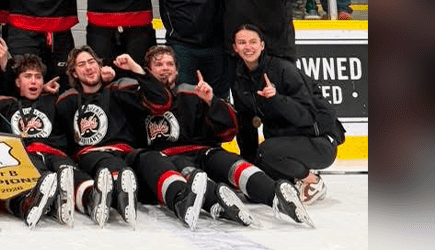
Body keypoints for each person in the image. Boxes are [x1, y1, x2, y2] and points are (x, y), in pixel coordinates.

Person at [127, 45, 312, 227]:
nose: (165, 68)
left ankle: (278, 194)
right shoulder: (137, 98)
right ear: (148, 70)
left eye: (169, 64)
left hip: (205, 151)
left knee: (234, 164)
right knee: (192, 174)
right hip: (170, 157)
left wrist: (211, 101)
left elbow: (229, 130)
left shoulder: (193, 91)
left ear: (177, 70)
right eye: (158, 64)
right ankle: (220, 201)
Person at [54, 46, 170, 226]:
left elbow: (161, 102)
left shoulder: (118, 89)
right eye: (82, 64)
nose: (88, 67)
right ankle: (120, 198)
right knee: (109, 163)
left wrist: (136, 69)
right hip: (91, 156)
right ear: (74, 73)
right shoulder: (66, 101)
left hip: (126, 153)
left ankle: (179, 195)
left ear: (100, 66)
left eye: (92, 62)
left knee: (150, 158)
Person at [231, 26, 342, 206]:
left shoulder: (283, 69)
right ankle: (293, 181)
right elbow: (245, 123)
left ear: (262, 45)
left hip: (319, 141)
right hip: (284, 142)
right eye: (242, 43)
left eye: (253, 42)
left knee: (267, 151)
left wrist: (277, 98)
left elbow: (307, 117)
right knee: (255, 186)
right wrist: (250, 168)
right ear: (235, 47)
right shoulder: (239, 77)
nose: (248, 47)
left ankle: (312, 181)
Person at [0, 55, 80, 226]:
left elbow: (76, 95)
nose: (34, 81)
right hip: (27, 156)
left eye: (38, 77)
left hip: (55, 152)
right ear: (17, 82)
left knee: (67, 169)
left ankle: (67, 197)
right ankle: (48, 197)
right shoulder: (7, 104)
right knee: (40, 173)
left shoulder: (54, 101)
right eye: (28, 76)